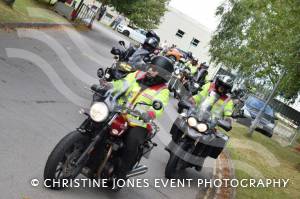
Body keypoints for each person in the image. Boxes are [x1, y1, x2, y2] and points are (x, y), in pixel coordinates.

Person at [94, 56, 174, 179]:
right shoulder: (136, 75)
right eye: (150, 67)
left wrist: (150, 114)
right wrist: (109, 86)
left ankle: (120, 174)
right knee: (97, 121)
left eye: (154, 69)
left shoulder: (163, 91)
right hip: (118, 112)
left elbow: (159, 106)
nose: (150, 70)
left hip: (138, 122)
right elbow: (121, 84)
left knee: (131, 142)